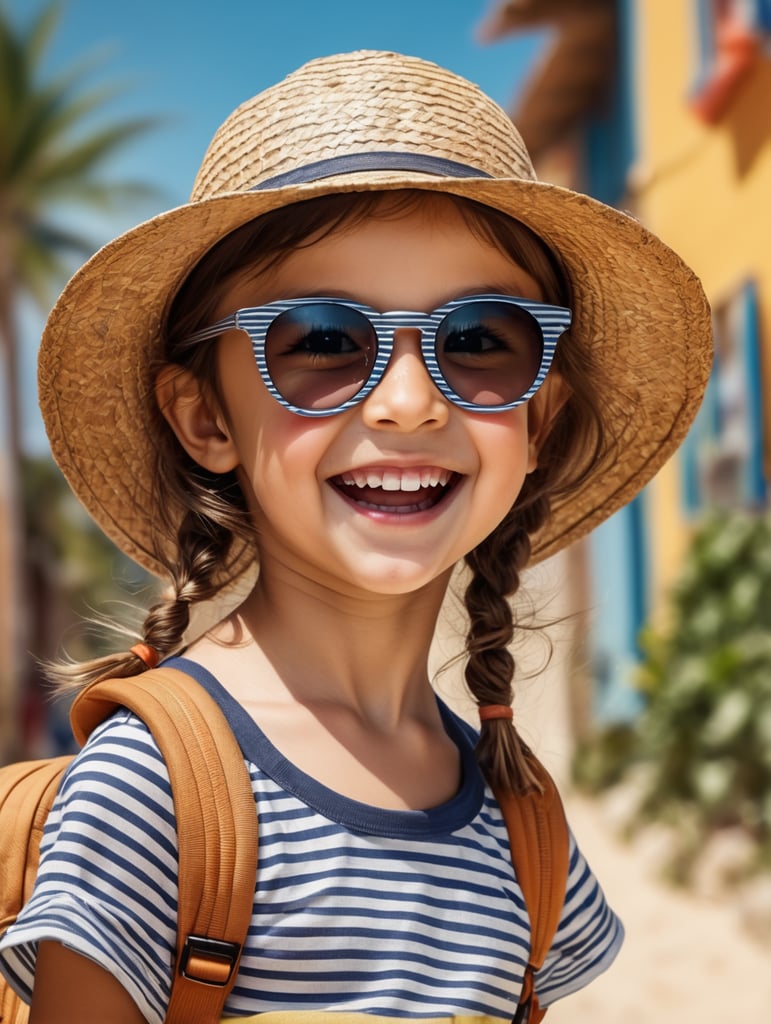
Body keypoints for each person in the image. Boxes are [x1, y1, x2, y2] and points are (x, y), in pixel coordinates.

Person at [0, 50, 712, 1023]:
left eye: (480, 339)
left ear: (538, 422)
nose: (412, 403)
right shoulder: (154, 791)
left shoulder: (518, 816)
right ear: (204, 416)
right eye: (325, 340)